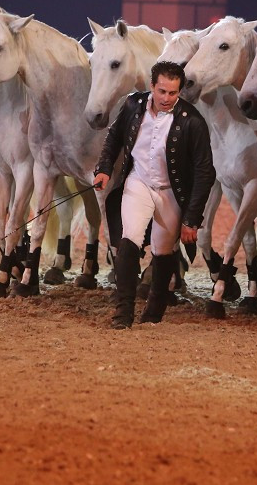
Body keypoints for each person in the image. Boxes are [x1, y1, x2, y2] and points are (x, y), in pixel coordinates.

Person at [92, 60, 216, 329]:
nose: (167, 98)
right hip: (137, 183)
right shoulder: (132, 105)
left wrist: (191, 219)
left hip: (172, 193)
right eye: (162, 91)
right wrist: (103, 168)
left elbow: (205, 172)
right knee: (129, 240)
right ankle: (123, 312)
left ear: (179, 91)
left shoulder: (193, 121)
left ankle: (154, 309)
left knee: (162, 251)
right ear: (152, 87)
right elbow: (113, 136)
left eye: (173, 93)